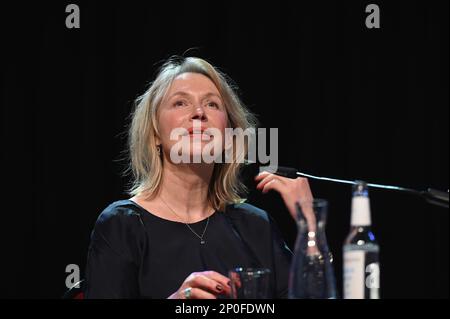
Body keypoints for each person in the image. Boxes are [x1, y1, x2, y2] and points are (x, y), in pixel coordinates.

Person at [84, 56, 314, 299]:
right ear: (155, 134)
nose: (199, 113)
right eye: (180, 102)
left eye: (213, 104)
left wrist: (310, 226)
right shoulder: (121, 226)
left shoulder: (257, 227)